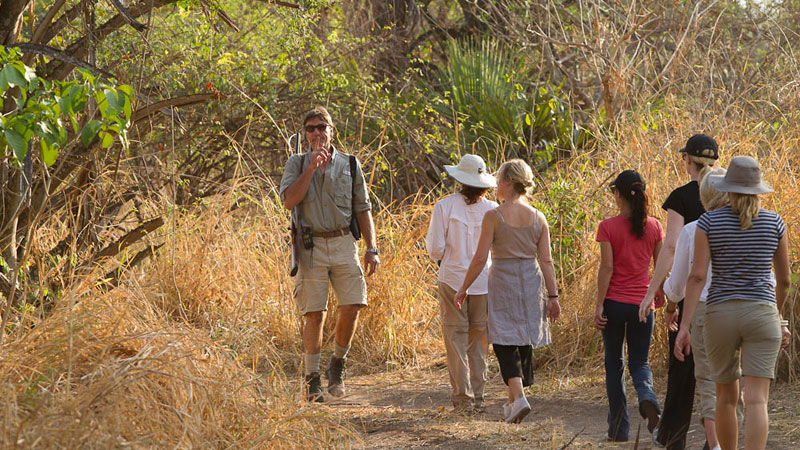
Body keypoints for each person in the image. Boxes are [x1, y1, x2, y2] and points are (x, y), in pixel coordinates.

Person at [675, 156, 792, 450]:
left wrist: (685, 325)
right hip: (762, 313)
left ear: (729, 189)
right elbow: (785, 280)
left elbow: (698, 276)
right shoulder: (774, 222)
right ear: (758, 189)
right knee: (757, 400)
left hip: (720, 315)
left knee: (725, 397)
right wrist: (775, 316)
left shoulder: (708, 221)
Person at [279, 106, 380, 402]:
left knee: (352, 304)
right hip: (310, 246)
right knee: (315, 313)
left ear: (332, 130)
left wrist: (371, 248)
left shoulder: (349, 164)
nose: (317, 133)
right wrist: (310, 168)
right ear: (304, 134)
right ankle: (312, 378)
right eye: (310, 128)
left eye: (322, 127)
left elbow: (363, 208)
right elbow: (288, 202)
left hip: (343, 242)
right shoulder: (296, 163)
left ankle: (338, 363)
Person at [454, 159, 560, 424]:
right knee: (523, 337)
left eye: (499, 180)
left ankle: (519, 396)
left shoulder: (495, 216)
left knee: (502, 340)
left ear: (509, 182)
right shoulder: (538, 217)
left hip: (503, 279)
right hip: (531, 280)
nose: (496, 185)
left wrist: (463, 288)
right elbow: (546, 260)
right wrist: (553, 295)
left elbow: (480, 259)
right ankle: (514, 399)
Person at [639, 133, 719, 449]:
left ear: (687, 160)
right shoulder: (734, 193)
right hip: (727, 295)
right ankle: (718, 439)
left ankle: (673, 438)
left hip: (690, 293)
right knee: (721, 376)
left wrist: (652, 293)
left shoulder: (681, 197)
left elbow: (671, 247)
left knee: (683, 370)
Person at [655, 168, 743, 450]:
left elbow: (682, 279)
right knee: (732, 379)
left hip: (706, 308)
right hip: (740, 308)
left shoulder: (694, 229)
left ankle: (716, 445)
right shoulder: (746, 224)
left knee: (707, 379)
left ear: (704, 196)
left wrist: (671, 307)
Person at [425, 154, 498, 412]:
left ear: (460, 180)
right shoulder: (493, 209)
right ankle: (478, 397)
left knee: (455, 339)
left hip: (452, 280)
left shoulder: (444, 206)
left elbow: (435, 249)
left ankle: (463, 399)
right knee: (478, 341)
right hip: (483, 282)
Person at [594, 169, 663, 442]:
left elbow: (606, 268)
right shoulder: (655, 226)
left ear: (619, 194)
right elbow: (660, 266)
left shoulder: (607, 226)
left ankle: (618, 429)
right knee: (640, 362)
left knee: (614, 364)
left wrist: (599, 305)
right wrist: (658, 294)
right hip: (642, 305)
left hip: (614, 304)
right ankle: (647, 397)